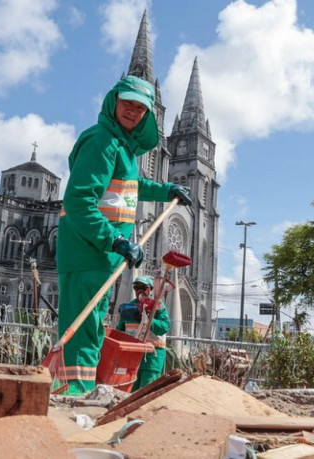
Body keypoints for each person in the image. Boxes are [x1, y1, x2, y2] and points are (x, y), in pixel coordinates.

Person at [56, 75, 192, 395]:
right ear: (113, 101)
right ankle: (72, 390)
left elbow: (135, 187)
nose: (132, 110)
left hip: (102, 255)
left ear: (147, 116)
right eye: (127, 102)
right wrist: (115, 240)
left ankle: (79, 387)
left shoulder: (124, 151)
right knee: (84, 327)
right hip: (88, 250)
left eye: (140, 108)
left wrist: (167, 189)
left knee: (92, 325)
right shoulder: (102, 141)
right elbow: (79, 201)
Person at [117, 275, 170, 392]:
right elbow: (120, 331)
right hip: (133, 356)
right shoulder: (129, 307)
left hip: (151, 356)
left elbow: (164, 327)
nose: (139, 290)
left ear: (150, 289)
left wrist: (148, 317)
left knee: (148, 389)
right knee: (129, 389)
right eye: (136, 287)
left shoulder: (158, 306)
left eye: (143, 287)